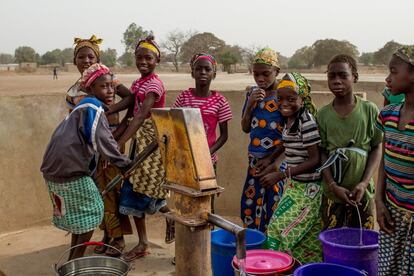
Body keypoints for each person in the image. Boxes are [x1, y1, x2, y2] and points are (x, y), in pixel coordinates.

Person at [40, 63, 131, 260]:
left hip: (55, 170)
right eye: (103, 86)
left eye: (112, 86)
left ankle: (73, 260)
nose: (110, 90)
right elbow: (102, 140)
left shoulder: (82, 107)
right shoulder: (92, 106)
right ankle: (75, 262)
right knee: (93, 213)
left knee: (81, 217)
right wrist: (123, 162)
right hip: (69, 170)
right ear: (90, 89)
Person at [106, 35, 174, 262]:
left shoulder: (154, 84)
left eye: (148, 58)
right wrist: (104, 111)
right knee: (140, 192)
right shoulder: (139, 83)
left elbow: (140, 116)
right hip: (139, 141)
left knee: (137, 190)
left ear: (157, 61)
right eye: (139, 57)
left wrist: (117, 145)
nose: (143, 61)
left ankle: (146, 241)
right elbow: (130, 107)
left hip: (151, 144)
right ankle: (156, 230)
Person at [317, 54, 382, 230]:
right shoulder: (322, 115)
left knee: (362, 241)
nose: (337, 81)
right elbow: (322, 152)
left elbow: (376, 147)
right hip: (333, 194)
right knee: (332, 240)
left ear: (355, 77)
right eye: (332, 76)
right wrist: (332, 185)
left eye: (343, 75)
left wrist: (364, 182)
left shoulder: (369, 110)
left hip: (362, 192)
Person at [265, 73, 322, 264]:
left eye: (291, 99)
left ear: (302, 99)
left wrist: (281, 174)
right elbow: (287, 144)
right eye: (280, 98)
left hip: (309, 190)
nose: (283, 103)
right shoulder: (290, 120)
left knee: (277, 229)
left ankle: (279, 268)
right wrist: (272, 161)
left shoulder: (307, 122)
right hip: (295, 187)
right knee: (305, 240)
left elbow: (315, 159)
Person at [173, 53, 233, 213]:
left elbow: (224, 136)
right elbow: (175, 126)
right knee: (185, 200)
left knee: (206, 202)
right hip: (185, 159)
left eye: (207, 69)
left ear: (214, 73)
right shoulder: (184, 97)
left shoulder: (220, 101)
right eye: (198, 69)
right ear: (192, 73)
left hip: (208, 161)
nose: (203, 72)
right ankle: (186, 236)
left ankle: (207, 237)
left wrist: (206, 154)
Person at [376, 46, 414, 275]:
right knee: (387, 269)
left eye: (393, 71)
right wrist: (379, 202)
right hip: (392, 212)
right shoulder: (388, 114)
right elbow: (384, 162)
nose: (388, 78)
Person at [240, 47, 285, 232]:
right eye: (256, 74)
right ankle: (256, 245)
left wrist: (273, 160)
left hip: (276, 162)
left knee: (275, 204)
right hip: (255, 161)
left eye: (266, 74)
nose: (260, 79)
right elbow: (245, 127)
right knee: (251, 206)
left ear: (277, 72)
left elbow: (290, 134)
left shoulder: (284, 96)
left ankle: (273, 249)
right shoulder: (252, 93)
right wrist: (250, 104)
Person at [66, 35, 130, 112]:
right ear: (74, 61)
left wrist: (110, 110)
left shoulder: (108, 79)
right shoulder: (73, 90)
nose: (86, 60)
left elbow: (130, 97)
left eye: (91, 57)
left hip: (110, 124)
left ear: (98, 60)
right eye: (81, 57)